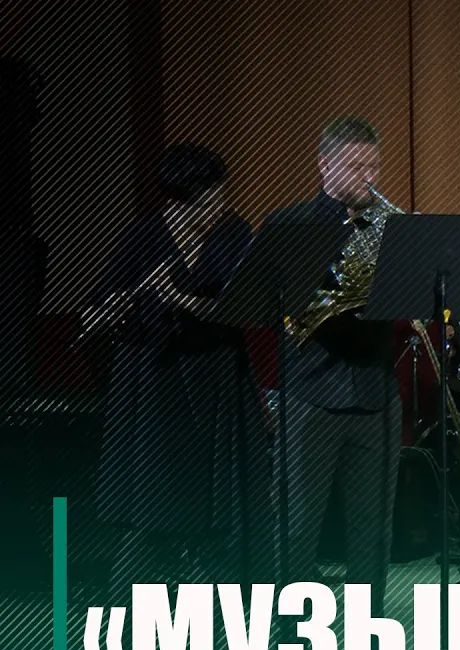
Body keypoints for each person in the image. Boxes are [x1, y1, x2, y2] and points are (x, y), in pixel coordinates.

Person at [85, 142, 276, 615]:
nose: (217, 210)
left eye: (220, 197)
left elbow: (245, 308)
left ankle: (227, 620)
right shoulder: (143, 236)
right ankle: (126, 620)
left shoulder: (234, 232)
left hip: (218, 377)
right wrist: (109, 313)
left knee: (225, 506)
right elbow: (96, 309)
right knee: (153, 507)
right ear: (175, 202)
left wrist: (183, 300)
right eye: (205, 203)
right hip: (156, 380)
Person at [259, 115, 402, 622]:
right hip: (311, 392)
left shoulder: (390, 226)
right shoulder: (289, 226)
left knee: (374, 528)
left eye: (374, 166)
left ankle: (368, 630)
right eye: (356, 165)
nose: (369, 177)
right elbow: (273, 306)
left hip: (375, 391)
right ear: (324, 164)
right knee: (297, 525)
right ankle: (291, 632)